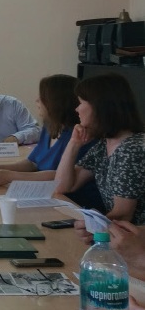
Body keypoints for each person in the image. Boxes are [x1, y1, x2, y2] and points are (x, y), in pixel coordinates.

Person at [55, 73, 145, 225]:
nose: (77, 109)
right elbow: (63, 186)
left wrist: (89, 224)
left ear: (99, 106)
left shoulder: (131, 149)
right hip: (117, 233)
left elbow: (123, 214)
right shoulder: (104, 145)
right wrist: (74, 143)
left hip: (133, 236)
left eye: (80, 102)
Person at [0, 74, 97, 186]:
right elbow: (32, 163)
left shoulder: (79, 135)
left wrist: (11, 176)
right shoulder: (49, 127)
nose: (37, 101)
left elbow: (59, 176)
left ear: (56, 103)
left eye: (42, 98)